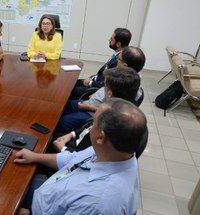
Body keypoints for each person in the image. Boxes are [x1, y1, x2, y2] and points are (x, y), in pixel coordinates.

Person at [14, 97, 147, 214]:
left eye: (93, 122)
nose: (90, 126)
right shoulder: (114, 151)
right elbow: (72, 159)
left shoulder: (96, 204)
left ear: (101, 137)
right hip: (51, 193)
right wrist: (34, 156)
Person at [55, 46, 145, 134]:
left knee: (59, 123)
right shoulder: (123, 77)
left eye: (119, 58)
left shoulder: (129, 87)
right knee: (61, 105)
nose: (116, 60)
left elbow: (113, 113)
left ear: (125, 65)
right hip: (90, 103)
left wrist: (88, 107)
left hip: (92, 114)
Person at [53, 66, 141, 152]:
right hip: (76, 140)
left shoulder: (108, 126)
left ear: (109, 94)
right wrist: (72, 134)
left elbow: (84, 156)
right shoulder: (121, 110)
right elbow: (89, 128)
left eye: (105, 88)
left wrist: (63, 148)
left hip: (73, 152)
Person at [70, 28, 131, 99]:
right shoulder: (117, 54)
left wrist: (90, 82)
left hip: (96, 88)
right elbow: (103, 72)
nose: (109, 40)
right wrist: (91, 78)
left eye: (111, 39)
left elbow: (107, 84)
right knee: (71, 83)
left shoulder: (119, 62)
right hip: (96, 80)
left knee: (70, 90)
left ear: (118, 44)